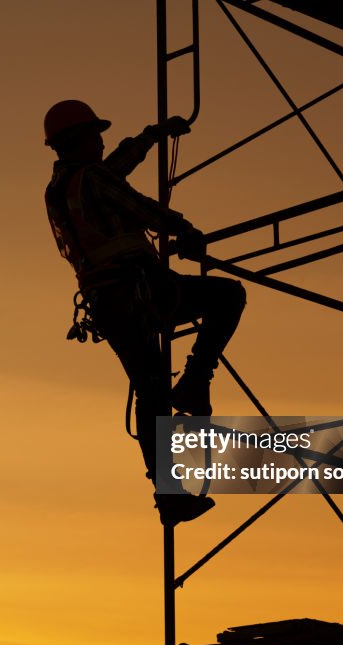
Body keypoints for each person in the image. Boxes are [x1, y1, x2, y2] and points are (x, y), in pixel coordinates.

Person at [43, 99, 246, 525]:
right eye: (95, 135)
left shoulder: (65, 186)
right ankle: (195, 380)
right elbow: (138, 206)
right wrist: (184, 229)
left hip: (109, 304)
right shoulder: (91, 179)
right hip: (140, 290)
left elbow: (114, 168)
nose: (101, 142)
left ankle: (168, 493)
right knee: (227, 297)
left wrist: (152, 136)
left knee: (150, 388)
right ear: (78, 140)